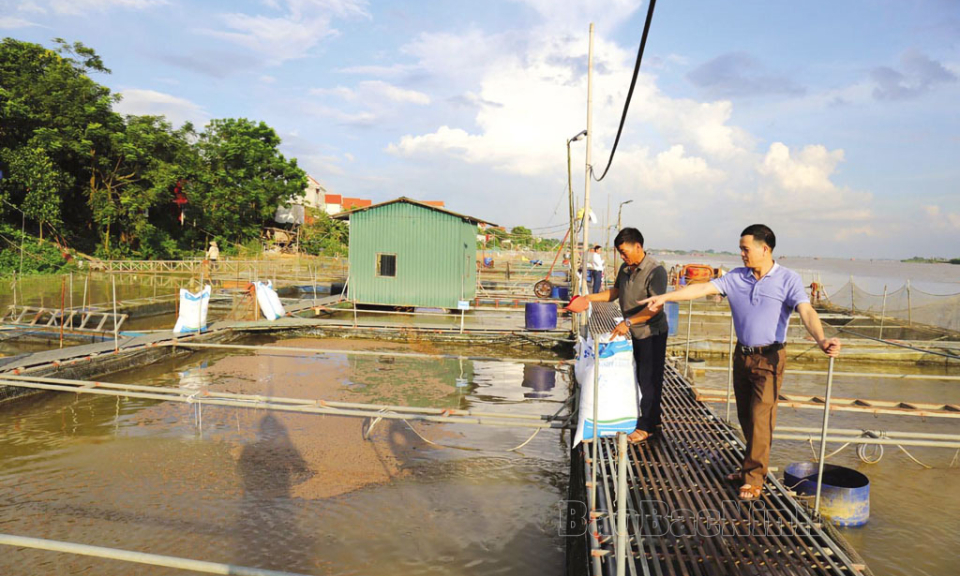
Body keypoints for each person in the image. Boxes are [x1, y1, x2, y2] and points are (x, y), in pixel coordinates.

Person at [639, 224, 841, 501]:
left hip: (770, 357)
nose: (742, 254)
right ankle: (750, 468)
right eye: (741, 249)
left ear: (764, 249)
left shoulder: (788, 279)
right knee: (746, 415)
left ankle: (755, 478)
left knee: (761, 417)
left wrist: (821, 340)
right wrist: (665, 297)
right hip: (742, 355)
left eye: (745, 249)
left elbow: (806, 310)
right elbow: (700, 289)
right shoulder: (736, 277)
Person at [568, 228, 668, 443]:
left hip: (651, 332)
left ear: (638, 247)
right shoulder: (625, 268)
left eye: (624, 252)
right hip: (633, 330)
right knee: (641, 375)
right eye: (620, 253)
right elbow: (616, 293)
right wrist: (588, 298)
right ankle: (654, 420)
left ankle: (647, 427)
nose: (623, 257)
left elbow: (655, 307)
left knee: (649, 379)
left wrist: (628, 322)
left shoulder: (655, 271)